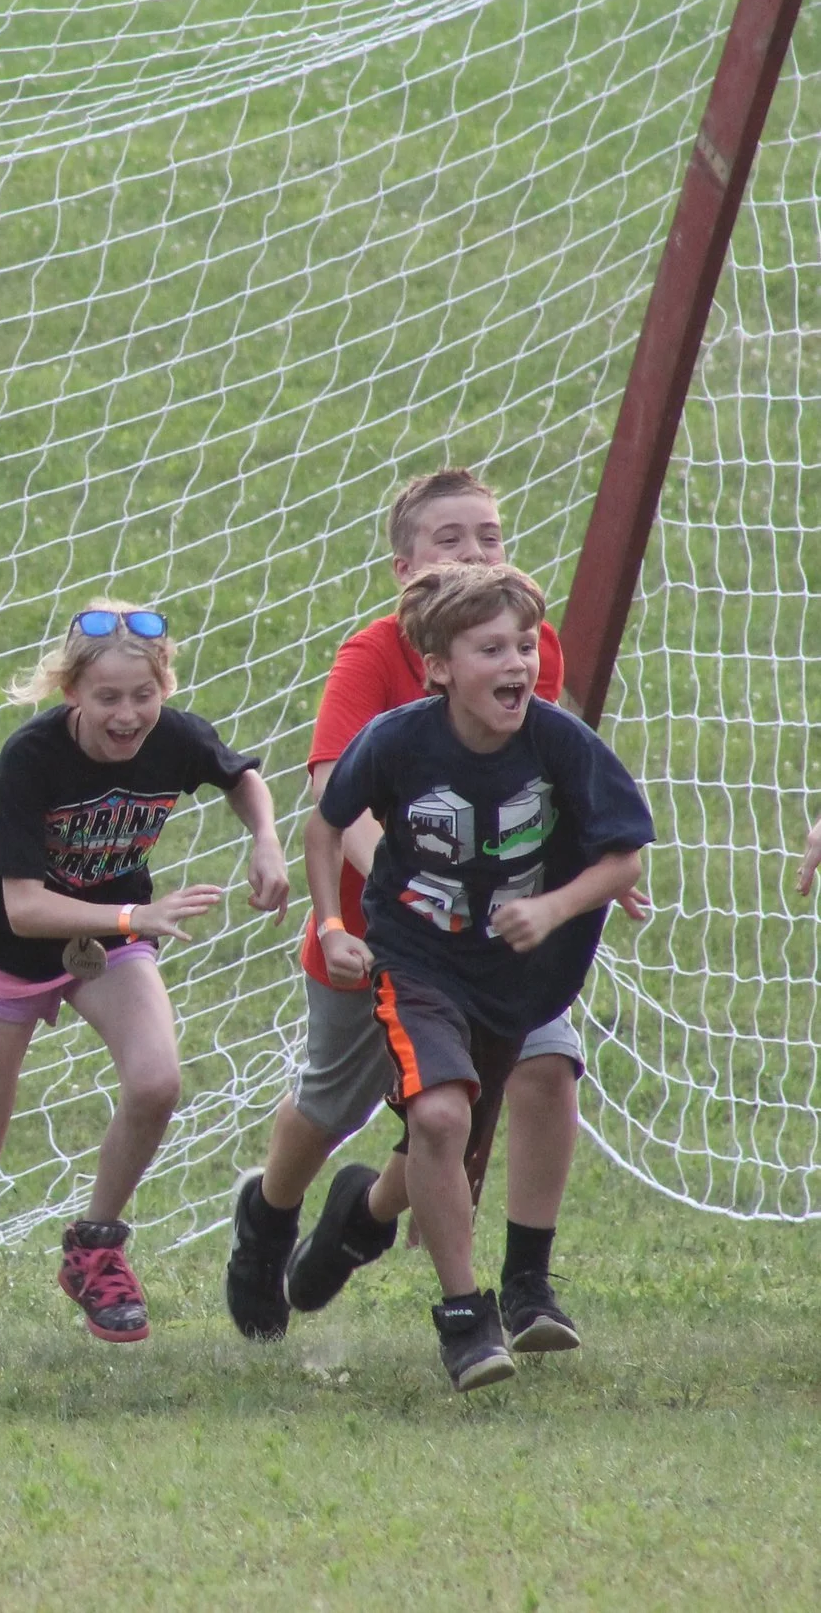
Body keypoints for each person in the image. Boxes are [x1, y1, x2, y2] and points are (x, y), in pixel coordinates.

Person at [225, 469, 643, 1348]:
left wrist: (594, 866)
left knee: (544, 1069)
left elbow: (548, 769)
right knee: (332, 1104)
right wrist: (410, 883)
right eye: (449, 540)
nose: (474, 553)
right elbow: (333, 797)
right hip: (382, 933)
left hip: (504, 933)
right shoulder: (373, 656)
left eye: (489, 537)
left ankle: (526, 1286)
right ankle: (273, 1217)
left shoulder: (522, 643)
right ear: (403, 566)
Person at [0, 600, 285, 1378]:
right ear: (71, 691)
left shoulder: (174, 733)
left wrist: (265, 841)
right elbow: (23, 906)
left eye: (144, 694)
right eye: (107, 697)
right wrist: (137, 912)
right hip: (11, 951)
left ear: (164, 684)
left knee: (157, 1079)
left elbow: (241, 777)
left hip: (110, 940)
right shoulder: (31, 758)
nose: (129, 714)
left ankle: (95, 1248)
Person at [308, 562, 651, 1390]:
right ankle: (467, 1317)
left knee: (529, 1090)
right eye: (491, 647)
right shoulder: (396, 740)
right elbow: (325, 824)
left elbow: (625, 853)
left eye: (525, 646)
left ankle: (515, 1274)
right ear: (439, 666)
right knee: (437, 1115)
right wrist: (329, 922)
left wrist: (556, 907)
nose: (516, 665)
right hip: (418, 961)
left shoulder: (560, 741)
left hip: (524, 976)